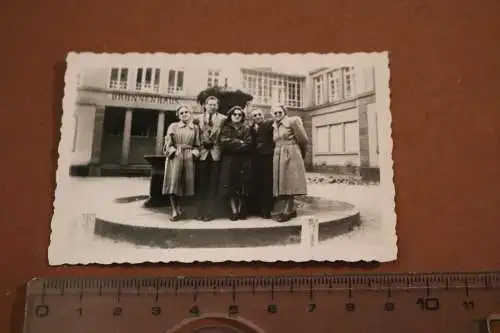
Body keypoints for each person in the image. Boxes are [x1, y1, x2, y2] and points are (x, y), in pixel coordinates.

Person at [271, 104, 309, 222]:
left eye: (279, 112)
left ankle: (288, 210)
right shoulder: (274, 125)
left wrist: (298, 155)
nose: (277, 114)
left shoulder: (293, 121)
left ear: (284, 112)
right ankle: (290, 209)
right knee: (283, 183)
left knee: (290, 182)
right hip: (278, 154)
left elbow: (303, 140)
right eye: (275, 113)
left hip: (291, 152)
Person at [162, 105, 200, 221]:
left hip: (189, 157)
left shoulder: (195, 128)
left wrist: (194, 153)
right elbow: (167, 143)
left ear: (190, 113)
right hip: (175, 157)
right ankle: (174, 211)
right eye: (182, 113)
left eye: (186, 112)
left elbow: (198, 144)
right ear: (178, 115)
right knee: (174, 182)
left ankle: (179, 208)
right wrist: (173, 152)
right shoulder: (173, 126)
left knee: (184, 184)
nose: (184, 114)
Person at [194, 96, 227, 221]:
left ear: (217, 106)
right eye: (210, 104)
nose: (212, 107)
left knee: (213, 184)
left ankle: (210, 212)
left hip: (216, 154)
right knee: (202, 184)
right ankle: (200, 212)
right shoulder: (197, 119)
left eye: (215, 105)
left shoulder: (223, 119)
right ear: (205, 105)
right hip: (202, 154)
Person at [218, 106, 254, 220]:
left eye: (239, 114)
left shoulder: (246, 128)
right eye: (234, 114)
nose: (237, 116)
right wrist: (239, 142)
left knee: (242, 185)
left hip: (243, 160)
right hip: (229, 160)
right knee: (231, 185)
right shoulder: (225, 127)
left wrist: (234, 145)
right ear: (230, 115)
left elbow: (249, 144)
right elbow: (224, 142)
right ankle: (233, 211)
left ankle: (240, 209)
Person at [249, 108, 275, 218]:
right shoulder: (251, 128)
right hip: (255, 159)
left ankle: (267, 210)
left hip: (267, 158)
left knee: (267, 184)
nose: (257, 117)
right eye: (255, 115)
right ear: (252, 118)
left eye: (259, 114)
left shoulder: (269, 124)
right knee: (257, 183)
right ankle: (258, 208)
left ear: (263, 115)